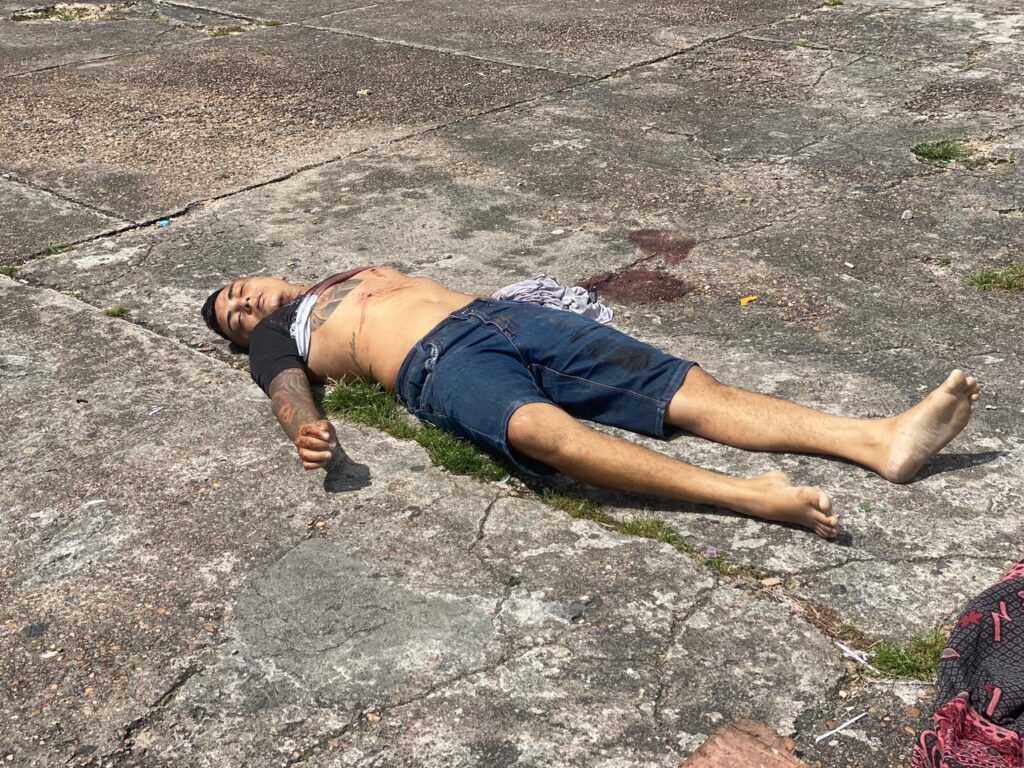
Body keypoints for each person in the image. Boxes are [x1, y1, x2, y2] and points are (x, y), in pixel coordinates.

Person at [201, 266, 981, 539]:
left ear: (266, 272)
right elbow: (285, 386)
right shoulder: (280, 334)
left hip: (505, 316)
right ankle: (750, 496)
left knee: (687, 390)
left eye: (239, 291)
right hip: (438, 362)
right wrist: (307, 427)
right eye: (234, 317)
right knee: (540, 432)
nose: (245, 306)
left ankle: (877, 439)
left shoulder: (349, 273)